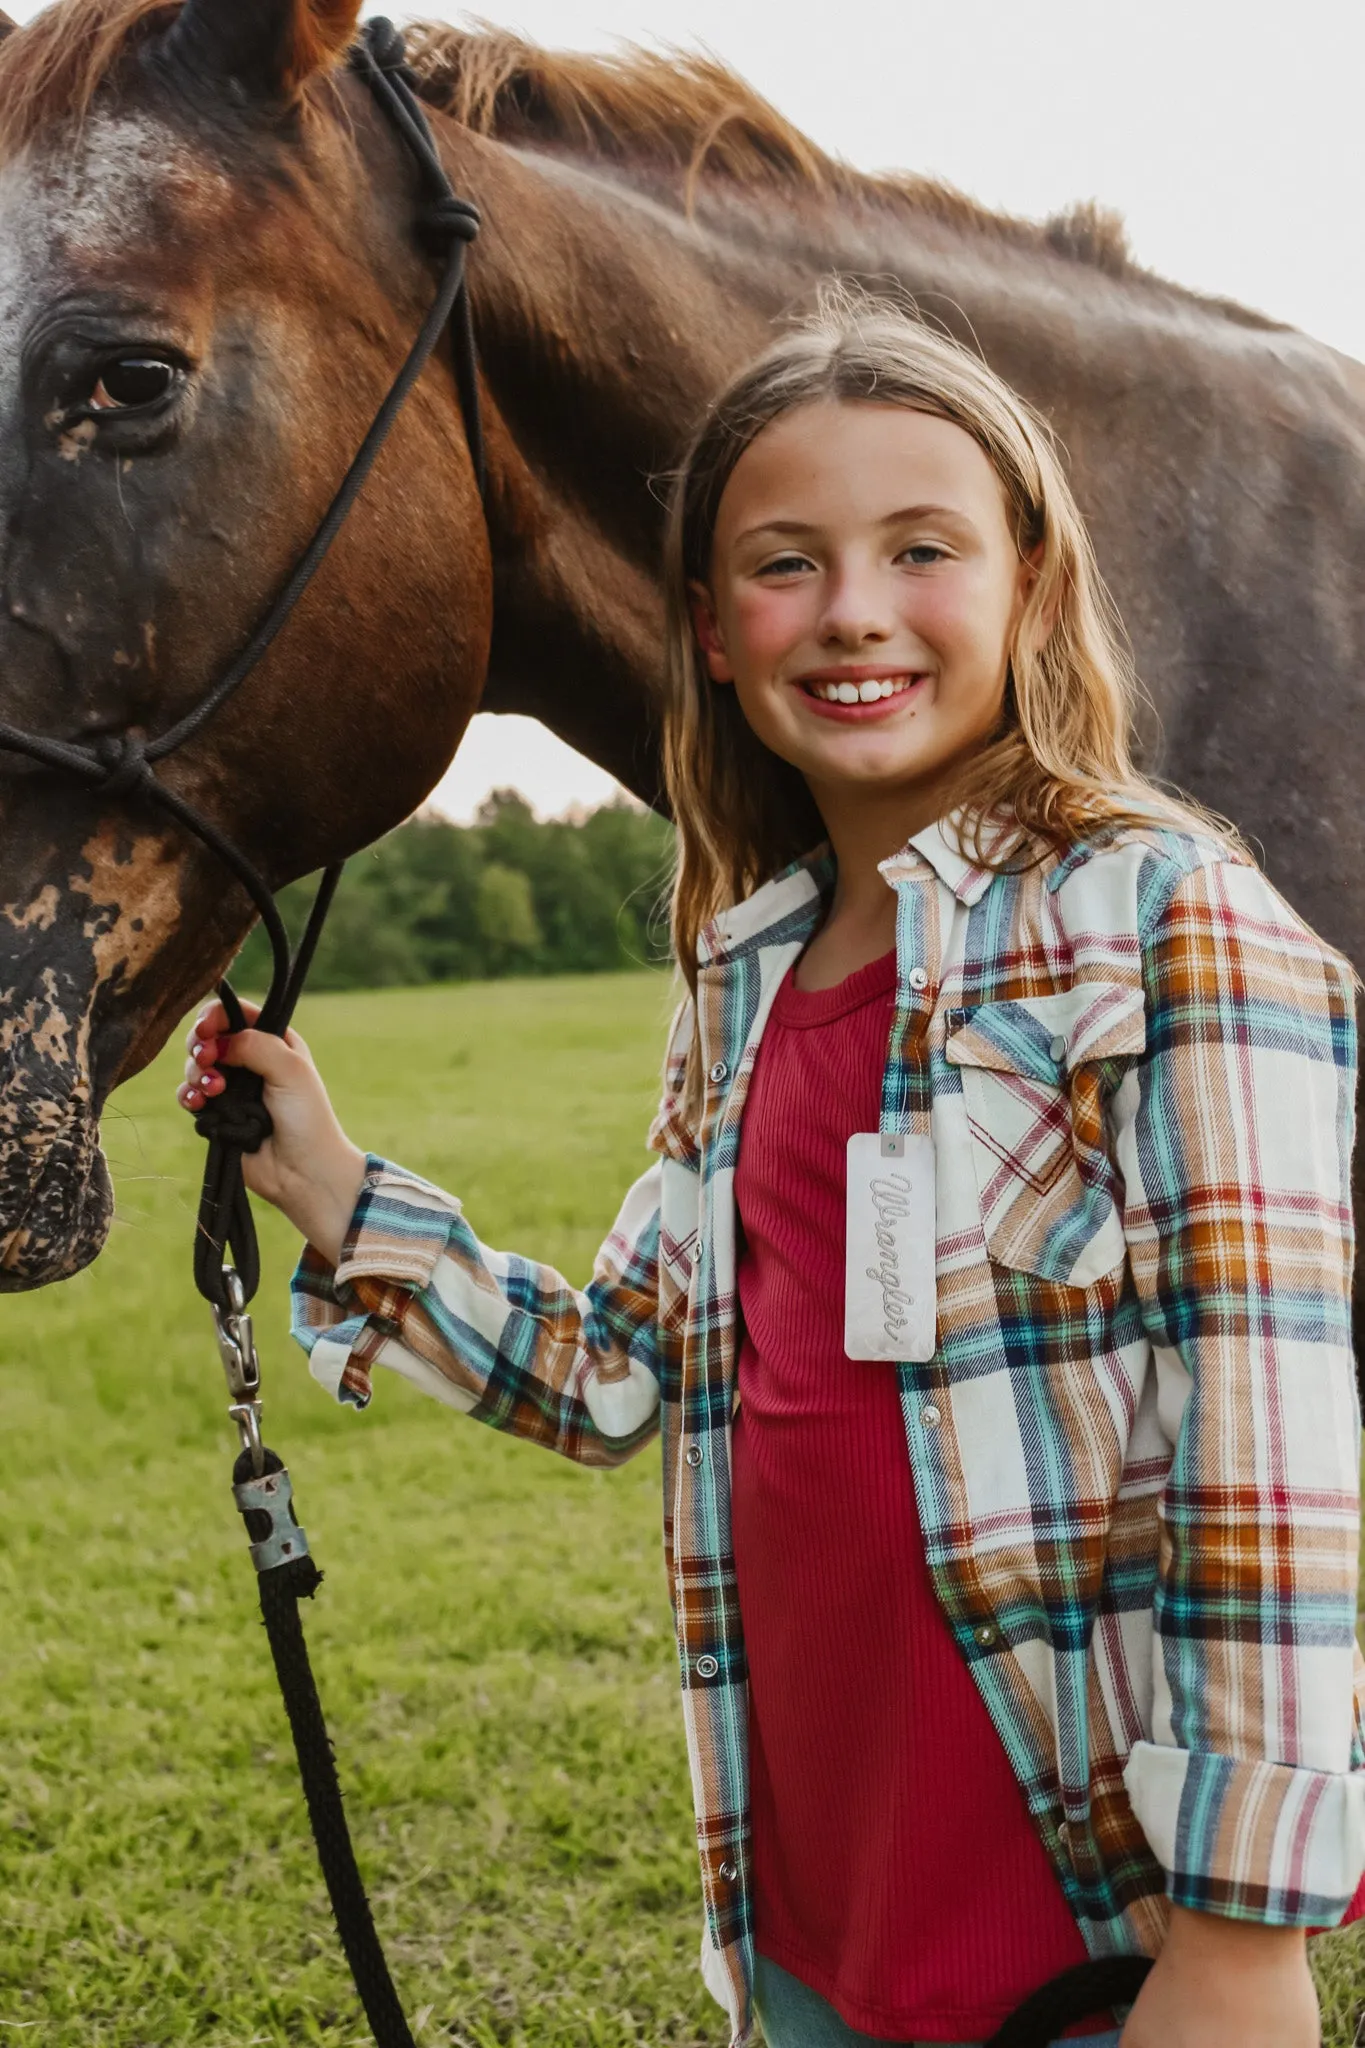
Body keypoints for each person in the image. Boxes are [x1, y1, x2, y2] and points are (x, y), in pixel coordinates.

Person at [177, 296, 1365, 2048]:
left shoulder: (1162, 917)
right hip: (804, 1916)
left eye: (920, 549)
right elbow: (617, 1375)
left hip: (1094, 1937)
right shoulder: (743, 982)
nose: (856, 611)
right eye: (787, 564)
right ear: (717, 636)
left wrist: (1246, 1935)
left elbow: (1271, 1453)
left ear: (1030, 583)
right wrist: (339, 1189)